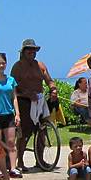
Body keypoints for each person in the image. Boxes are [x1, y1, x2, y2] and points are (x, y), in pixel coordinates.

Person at [10, 38, 56, 172]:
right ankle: (20, 161)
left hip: (39, 100)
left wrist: (53, 89)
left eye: (34, 51)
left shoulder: (40, 65)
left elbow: (49, 80)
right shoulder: (17, 66)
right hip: (25, 102)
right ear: (23, 52)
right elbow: (14, 87)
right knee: (25, 133)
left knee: (42, 131)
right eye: (29, 50)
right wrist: (27, 93)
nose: (32, 53)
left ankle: (40, 160)